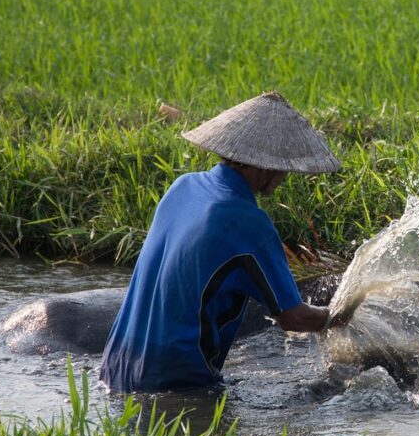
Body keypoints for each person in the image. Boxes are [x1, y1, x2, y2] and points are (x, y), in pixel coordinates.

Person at [99, 91, 340, 392]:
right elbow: (293, 317)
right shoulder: (247, 222)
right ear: (265, 166)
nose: (285, 177)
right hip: (174, 380)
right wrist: (340, 314)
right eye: (283, 167)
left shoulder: (182, 186)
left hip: (115, 367)